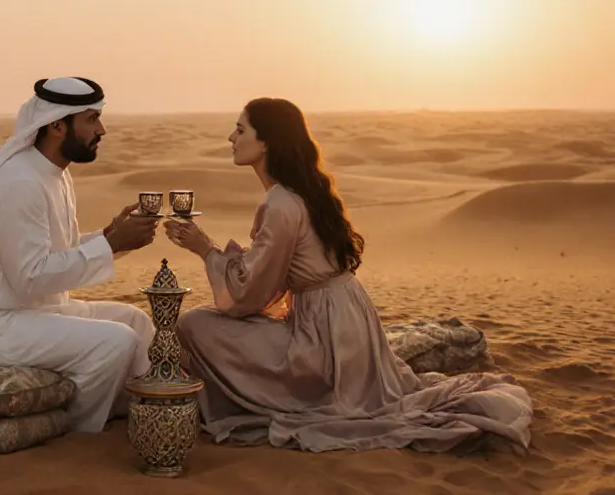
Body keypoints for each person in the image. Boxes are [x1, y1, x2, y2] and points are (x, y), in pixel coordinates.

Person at [163, 97, 533, 453]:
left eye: (240, 130)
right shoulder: (300, 193)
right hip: (345, 319)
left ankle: (250, 404)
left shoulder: (279, 203)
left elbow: (249, 293)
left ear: (267, 143)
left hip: (322, 337)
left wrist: (205, 249)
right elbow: (272, 268)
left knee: (196, 323)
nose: (231, 138)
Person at [0, 76, 160, 434]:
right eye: (92, 119)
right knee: (115, 341)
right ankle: (71, 428)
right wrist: (110, 245)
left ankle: (146, 413)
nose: (102, 129)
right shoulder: (20, 183)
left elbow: (59, 250)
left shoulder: (54, 175)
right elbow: (31, 277)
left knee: (133, 321)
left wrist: (111, 237)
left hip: (37, 311)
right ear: (58, 125)